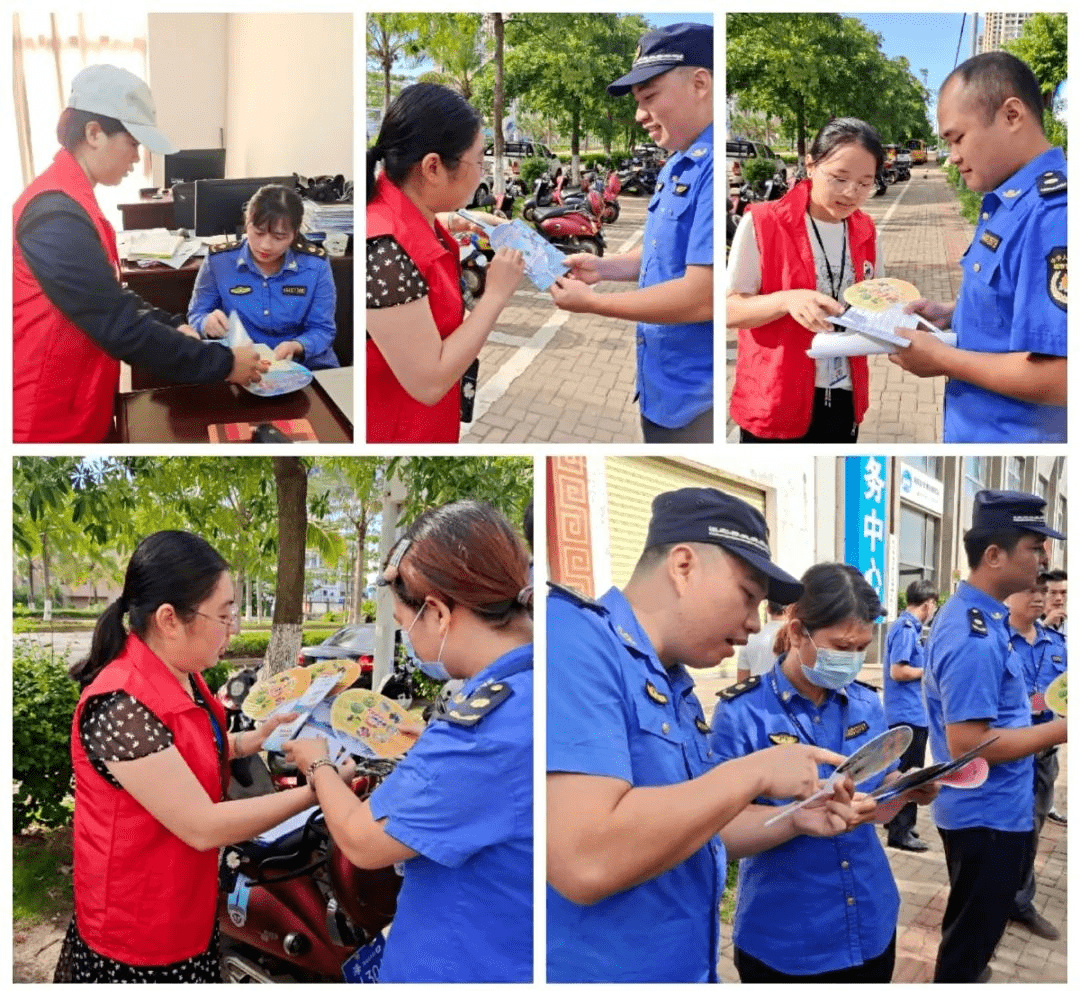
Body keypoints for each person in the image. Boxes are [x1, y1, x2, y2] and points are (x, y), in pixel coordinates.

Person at [547, 488, 868, 982]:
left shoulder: (673, 683)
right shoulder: (576, 640)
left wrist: (797, 818)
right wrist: (756, 772)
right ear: (683, 566)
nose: (751, 625)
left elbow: (702, 830)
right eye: (747, 596)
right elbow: (586, 860)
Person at [54, 530, 345, 982]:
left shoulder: (182, 675)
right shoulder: (120, 704)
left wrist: (257, 737)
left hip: (184, 909)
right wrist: (320, 786)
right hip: (137, 937)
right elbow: (201, 825)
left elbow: (191, 750)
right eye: (225, 614)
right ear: (169, 619)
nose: (235, 629)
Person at [284, 501, 532, 981]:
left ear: (437, 612)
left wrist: (318, 765)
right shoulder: (543, 681)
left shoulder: (482, 733)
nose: (410, 642)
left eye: (405, 625)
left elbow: (361, 840)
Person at [13, 64, 267, 443]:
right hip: (49, 418)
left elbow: (112, 298)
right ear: (94, 133)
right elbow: (118, 325)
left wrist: (171, 324)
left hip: (83, 400)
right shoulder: (54, 216)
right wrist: (225, 364)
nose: (137, 158)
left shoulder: (76, 202)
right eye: (133, 143)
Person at [711, 563, 939, 982]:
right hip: (788, 937)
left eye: (861, 649)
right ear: (798, 632)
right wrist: (797, 820)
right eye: (841, 647)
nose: (852, 661)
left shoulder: (867, 705)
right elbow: (717, 833)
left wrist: (902, 789)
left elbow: (869, 800)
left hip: (871, 920)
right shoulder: (743, 714)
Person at [923, 490, 1068, 982]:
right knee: (969, 942)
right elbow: (969, 745)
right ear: (994, 555)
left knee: (973, 929)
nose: (1042, 557)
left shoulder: (985, 620)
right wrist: (1065, 729)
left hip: (992, 810)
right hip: (985, 818)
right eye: (1034, 546)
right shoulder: (973, 633)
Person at [889, 52, 1066, 442]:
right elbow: (1018, 302)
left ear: (1012, 115)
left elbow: (1063, 375)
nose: (952, 157)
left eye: (958, 138)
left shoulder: (1055, 213)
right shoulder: (1010, 202)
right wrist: (953, 314)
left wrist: (940, 358)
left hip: (1012, 435)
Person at [549, 23, 714, 443]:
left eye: (650, 98)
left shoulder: (711, 169)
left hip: (697, 397)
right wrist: (604, 268)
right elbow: (665, 253)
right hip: (660, 383)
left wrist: (594, 305)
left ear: (700, 83)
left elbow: (702, 294)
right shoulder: (677, 162)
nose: (640, 115)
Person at [366, 83, 524, 443]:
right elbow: (429, 379)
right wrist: (496, 295)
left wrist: (462, 221)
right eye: (479, 160)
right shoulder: (383, 251)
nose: (482, 172)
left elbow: (413, 224)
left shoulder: (405, 212)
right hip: (400, 429)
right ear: (433, 167)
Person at [727, 117, 885, 442]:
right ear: (811, 165)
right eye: (839, 178)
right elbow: (730, 310)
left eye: (864, 183)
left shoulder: (865, 229)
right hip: (777, 397)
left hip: (844, 395)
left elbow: (875, 302)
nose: (851, 192)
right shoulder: (763, 223)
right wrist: (787, 300)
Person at [188, 183, 340, 369]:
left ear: (294, 233)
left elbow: (323, 329)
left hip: (302, 365)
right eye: (258, 233)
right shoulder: (219, 261)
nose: (266, 245)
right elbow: (197, 314)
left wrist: (298, 346)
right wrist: (206, 323)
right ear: (246, 223)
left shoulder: (315, 265)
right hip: (241, 364)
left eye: (279, 237)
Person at [1005, 573, 1066, 939]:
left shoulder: (1058, 643)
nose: (1044, 597)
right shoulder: (999, 643)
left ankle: (1021, 901)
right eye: (1037, 590)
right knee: (1000, 831)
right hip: (1007, 752)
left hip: (1044, 753)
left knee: (1033, 827)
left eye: (1050, 592)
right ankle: (992, 902)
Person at [882, 579, 938, 852]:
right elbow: (898, 671)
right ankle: (900, 831)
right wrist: (929, 673)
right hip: (909, 714)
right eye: (934, 605)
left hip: (912, 712)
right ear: (928, 604)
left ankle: (897, 822)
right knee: (909, 773)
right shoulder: (905, 630)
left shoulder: (910, 629)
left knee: (902, 771)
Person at [736, 598, 785, 681]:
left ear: (768, 609)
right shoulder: (799, 637)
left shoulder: (750, 638)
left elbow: (741, 681)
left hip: (759, 692)